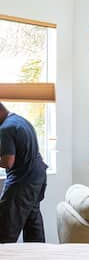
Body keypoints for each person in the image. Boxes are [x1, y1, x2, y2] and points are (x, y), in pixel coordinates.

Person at [0, 103, 47, 243]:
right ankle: (39, 256)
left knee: (5, 227)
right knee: (33, 224)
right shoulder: (21, 121)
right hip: (38, 178)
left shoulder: (5, 129)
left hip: (23, 181)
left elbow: (8, 162)